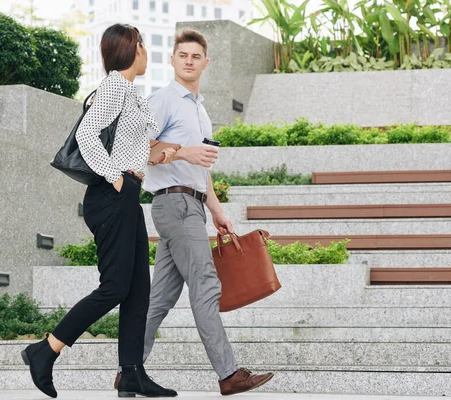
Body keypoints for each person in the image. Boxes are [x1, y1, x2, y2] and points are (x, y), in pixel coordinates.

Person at [21, 23, 177, 399]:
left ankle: (132, 373)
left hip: (127, 195)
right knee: (116, 287)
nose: (145, 51)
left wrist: (150, 157)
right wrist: (114, 174)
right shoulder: (113, 87)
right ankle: (47, 350)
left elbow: (124, 143)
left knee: (139, 290)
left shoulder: (128, 91)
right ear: (132, 49)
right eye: (142, 44)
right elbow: (87, 135)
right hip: (112, 197)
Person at [115, 28, 275, 396]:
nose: (188, 61)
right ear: (172, 60)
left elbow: (202, 169)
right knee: (205, 285)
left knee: (160, 299)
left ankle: (129, 372)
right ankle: (228, 374)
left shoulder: (199, 110)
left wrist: (216, 209)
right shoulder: (163, 100)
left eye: (195, 56)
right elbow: (136, 147)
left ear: (206, 63)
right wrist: (183, 151)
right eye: (182, 55)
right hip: (173, 203)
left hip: (192, 204)